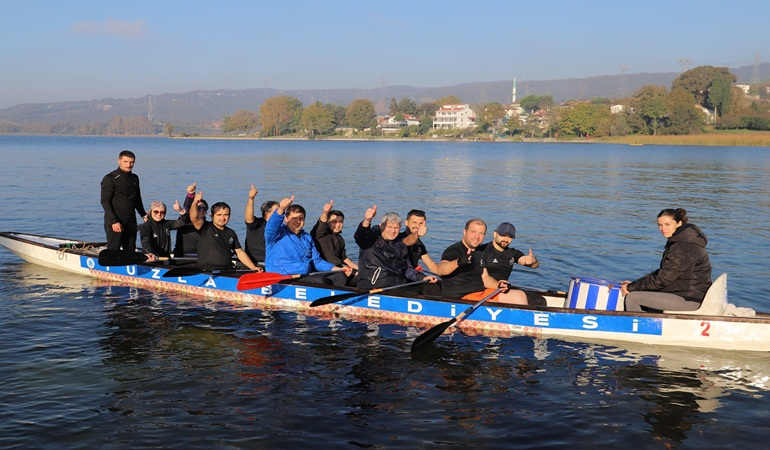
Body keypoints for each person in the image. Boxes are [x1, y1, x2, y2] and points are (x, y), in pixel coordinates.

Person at [621, 208, 712, 312]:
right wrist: (635, 285)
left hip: (689, 299)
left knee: (633, 298)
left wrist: (631, 287)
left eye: (667, 224)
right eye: (660, 225)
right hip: (684, 293)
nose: (663, 228)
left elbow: (662, 279)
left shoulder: (683, 247)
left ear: (679, 223)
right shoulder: (682, 242)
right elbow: (664, 274)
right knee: (641, 294)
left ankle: (640, 327)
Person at [437, 219, 538, 304]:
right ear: (465, 232)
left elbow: (485, 278)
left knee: (519, 295)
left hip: (479, 294)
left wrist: (499, 285)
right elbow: (441, 270)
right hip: (461, 298)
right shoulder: (454, 250)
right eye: (473, 232)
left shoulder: (478, 252)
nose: (477, 236)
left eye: (481, 233)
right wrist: (459, 262)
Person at [264, 195, 351, 286]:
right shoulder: (276, 234)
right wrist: (281, 208)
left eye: (301, 219)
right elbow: (271, 225)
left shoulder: (307, 238)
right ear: (286, 219)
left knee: (340, 276)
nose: (298, 221)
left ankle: (334, 298)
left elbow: (316, 261)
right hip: (282, 277)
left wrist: (338, 269)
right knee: (321, 281)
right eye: (294, 218)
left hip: (303, 275)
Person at [354, 205, 437, 292]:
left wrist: (423, 277)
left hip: (397, 285)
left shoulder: (400, 246)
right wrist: (367, 220)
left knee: (431, 288)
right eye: (389, 227)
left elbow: (407, 270)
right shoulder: (369, 241)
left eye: (396, 228)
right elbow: (360, 235)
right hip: (374, 286)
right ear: (382, 226)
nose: (393, 231)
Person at [188, 190, 260, 272]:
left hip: (227, 271)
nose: (223, 218)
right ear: (211, 216)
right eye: (219, 215)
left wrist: (253, 267)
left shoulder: (231, 233)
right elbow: (194, 217)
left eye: (226, 215)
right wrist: (194, 202)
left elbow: (239, 252)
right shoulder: (204, 227)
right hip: (207, 271)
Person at [476, 222, 545, 306]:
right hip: (485, 288)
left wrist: (533, 260)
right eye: (503, 235)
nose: (506, 239)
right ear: (495, 234)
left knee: (539, 300)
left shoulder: (512, 253)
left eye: (510, 237)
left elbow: (533, 265)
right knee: (520, 298)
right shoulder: (482, 250)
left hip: (504, 288)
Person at [100, 150, 146, 251]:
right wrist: (114, 221)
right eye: (126, 162)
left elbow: (137, 199)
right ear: (119, 161)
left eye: (131, 162)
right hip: (115, 220)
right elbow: (105, 201)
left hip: (130, 220)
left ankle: (129, 265)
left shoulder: (135, 178)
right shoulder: (110, 178)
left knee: (130, 248)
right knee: (114, 248)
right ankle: (110, 265)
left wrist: (143, 215)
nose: (129, 165)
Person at [398, 209, 441, 296]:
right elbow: (407, 241)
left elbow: (432, 266)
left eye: (421, 223)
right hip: (399, 280)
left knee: (440, 285)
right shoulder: (398, 239)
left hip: (414, 278)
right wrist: (417, 235)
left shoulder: (419, 244)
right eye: (414, 222)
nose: (417, 226)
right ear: (406, 222)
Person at [310, 200, 359, 271]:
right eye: (334, 222)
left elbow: (344, 258)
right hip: (323, 270)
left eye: (340, 222)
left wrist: (359, 268)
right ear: (327, 222)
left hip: (339, 267)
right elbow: (321, 224)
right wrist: (325, 212)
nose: (338, 225)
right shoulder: (320, 234)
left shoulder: (340, 239)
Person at [244, 184, 278, 265]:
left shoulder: (280, 227)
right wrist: (251, 198)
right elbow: (248, 218)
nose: (279, 214)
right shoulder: (257, 224)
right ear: (267, 213)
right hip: (257, 262)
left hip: (274, 261)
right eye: (276, 212)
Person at [173, 182, 208, 257]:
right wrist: (190, 195)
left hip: (201, 258)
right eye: (198, 208)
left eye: (204, 208)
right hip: (182, 258)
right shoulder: (185, 221)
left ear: (206, 212)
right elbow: (187, 208)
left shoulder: (209, 226)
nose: (201, 210)